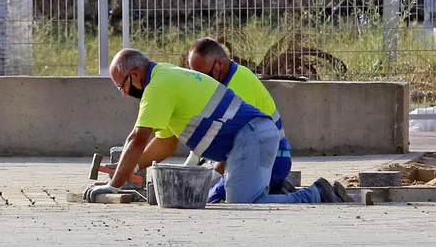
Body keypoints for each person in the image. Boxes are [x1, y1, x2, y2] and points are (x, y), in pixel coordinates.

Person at [86, 49, 333, 204]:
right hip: (252, 137)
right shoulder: (166, 76)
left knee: (242, 202)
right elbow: (165, 143)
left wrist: (113, 184)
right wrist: (130, 167)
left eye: (122, 86)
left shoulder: (158, 87)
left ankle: (315, 194)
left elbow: (137, 139)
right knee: (224, 197)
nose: (124, 93)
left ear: (136, 74)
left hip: (254, 136)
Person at [186, 37, 310, 203]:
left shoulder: (238, 87)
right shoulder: (227, 81)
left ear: (219, 65)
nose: (200, 82)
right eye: (195, 77)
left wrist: (213, 176)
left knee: (215, 200)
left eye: (204, 75)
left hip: (272, 160)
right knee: (212, 195)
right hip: (258, 157)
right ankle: (276, 192)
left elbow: (241, 141)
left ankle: (313, 194)